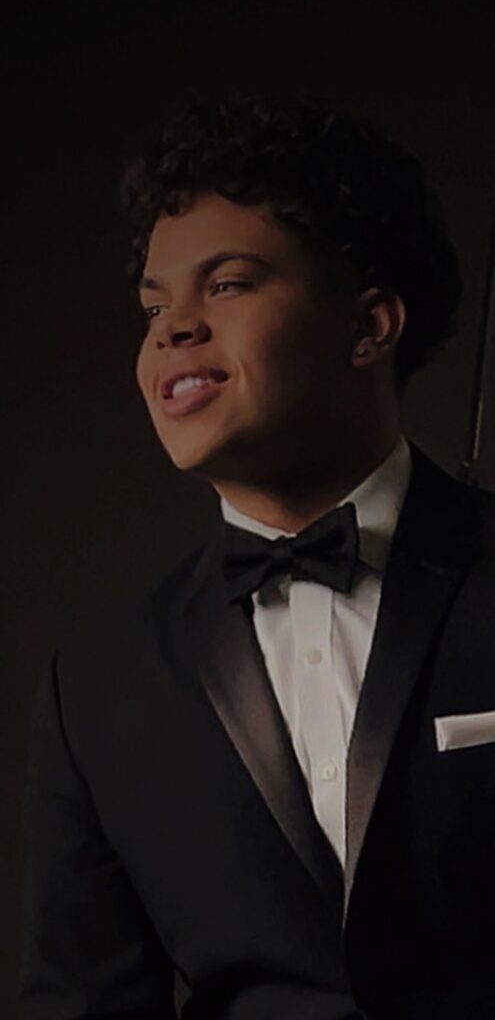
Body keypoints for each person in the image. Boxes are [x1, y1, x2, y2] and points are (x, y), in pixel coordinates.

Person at [19, 93, 495, 1020]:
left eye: (227, 283)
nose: (172, 327)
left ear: (369, 327)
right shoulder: (93, 689)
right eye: (155, 303)